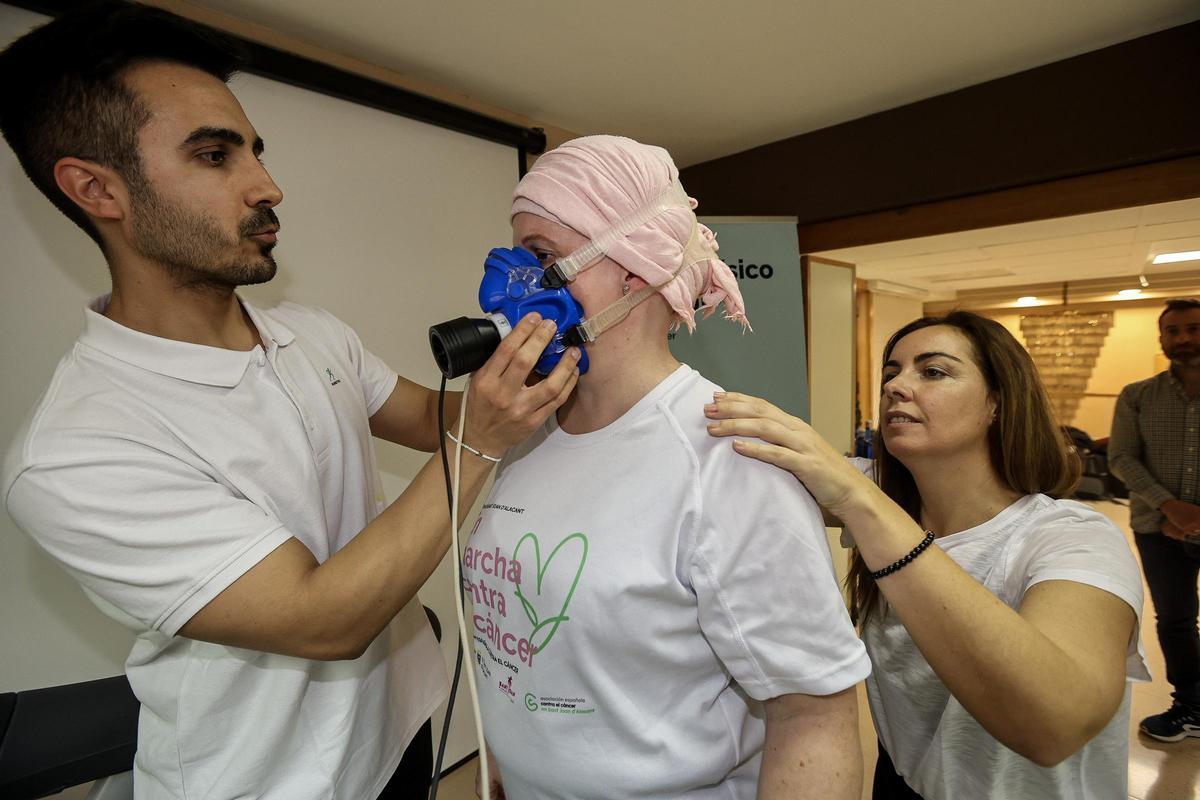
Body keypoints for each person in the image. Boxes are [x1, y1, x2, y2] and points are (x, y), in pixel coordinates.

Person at [0, 4, 577, 798]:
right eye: (213, 155)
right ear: (96, 188)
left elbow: (432, 420)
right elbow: (322, 619)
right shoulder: (74, 451)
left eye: (255, 151)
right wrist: (481, 437)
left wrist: (537, 371)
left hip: (404, 723)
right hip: (269, 781)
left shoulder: (311, 335)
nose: (267, 186)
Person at [463, 135, 871, 800]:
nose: (508, 280)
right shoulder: (527, 433)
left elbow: (814, 718)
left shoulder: (726, 459)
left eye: (540, 257)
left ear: (632, 271)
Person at [706, 311, 1148, 799]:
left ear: (997, 403)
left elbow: (1054, 724)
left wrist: (862, 504)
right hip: (905, 780)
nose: (897, 386)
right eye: (891, 373)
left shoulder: (1073, 537)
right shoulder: (881, 496)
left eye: (933, 371)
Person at [1109, 297, 1200, 742]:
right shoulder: (1138, 395)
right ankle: (1192, 704)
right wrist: (1171, 508)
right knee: (1176, 619)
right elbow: (1121, 458)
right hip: (1158, 530)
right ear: (1162, 338)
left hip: (1177, 523)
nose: (1183, 338)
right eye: (1174, 331)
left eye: (1193, 329)